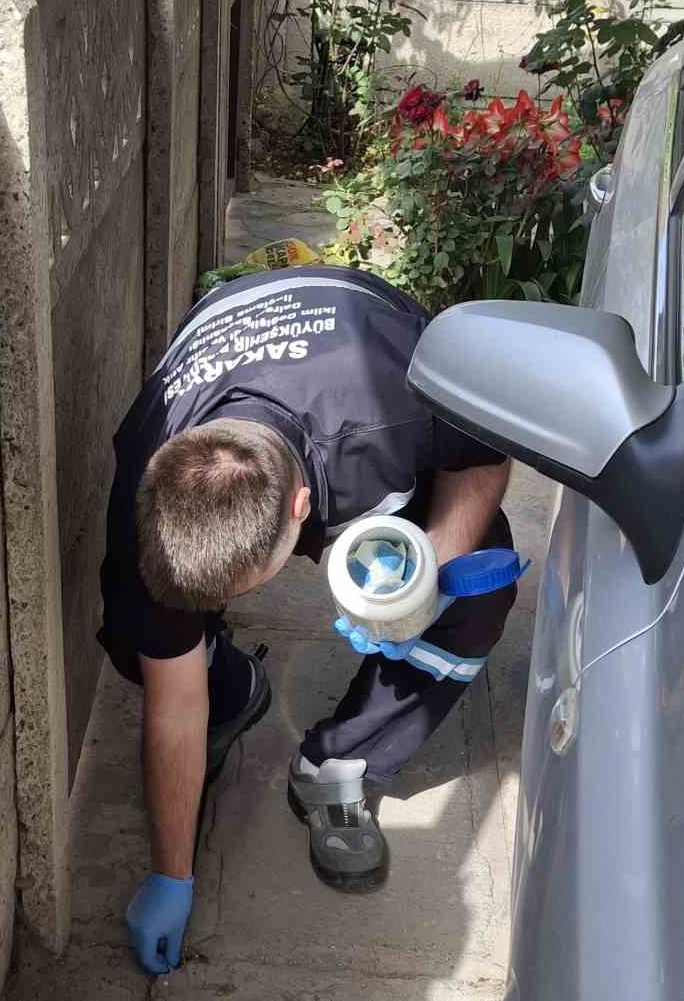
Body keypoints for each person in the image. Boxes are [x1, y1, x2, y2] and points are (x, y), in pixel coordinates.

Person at [98, 264, 518, 976]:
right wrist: (173, 874)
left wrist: (425, 575)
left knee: (477, 598)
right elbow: (170, 707)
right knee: (142, 639)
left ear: (303, 514)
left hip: (355, 351)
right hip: (241, 339)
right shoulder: (150, 469)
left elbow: (484, 458)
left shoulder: (399, 404)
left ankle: (337, 763)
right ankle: (232, 692)